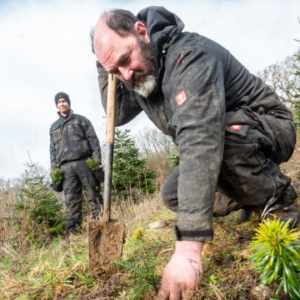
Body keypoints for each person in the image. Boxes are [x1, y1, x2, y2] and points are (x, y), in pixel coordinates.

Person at [91, 7, 299, 299]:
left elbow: (200, 137)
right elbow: (118, 113)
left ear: (141, 32)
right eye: (116, 71)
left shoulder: (188, 56)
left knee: (217, 133)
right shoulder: (141, 75)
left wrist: (188, 247)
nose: (126, 74)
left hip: (270, 127)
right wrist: (105, 65)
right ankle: (252, 196)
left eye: (125, 59)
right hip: (234, 138)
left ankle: (278, 199)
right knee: (173, 193)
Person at [50, 92, 104, 234]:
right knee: (71, 201)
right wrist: (55, 172)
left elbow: (94, 141)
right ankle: (73, 232)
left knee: (94, 195)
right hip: (65, 169)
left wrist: (96, 162)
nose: (62, 104)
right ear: (57, 105)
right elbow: (53, 152)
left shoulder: (82, 120)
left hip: (84, 163)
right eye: (59, 102)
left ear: (68, 103)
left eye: (64, 101)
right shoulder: (53, 127)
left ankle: (101, 225)